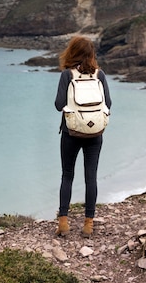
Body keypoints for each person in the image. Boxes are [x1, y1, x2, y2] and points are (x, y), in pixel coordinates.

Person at [53, 36, 112, 237]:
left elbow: (59, 104)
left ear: (72, 52)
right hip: (95, 133)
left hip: (71, 132)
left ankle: (63, 222)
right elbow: (109, 104)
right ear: (91, 54)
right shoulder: (100, 75)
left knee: (67, 175)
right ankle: (88, 223)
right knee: (91, 177)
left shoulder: (67, 75)